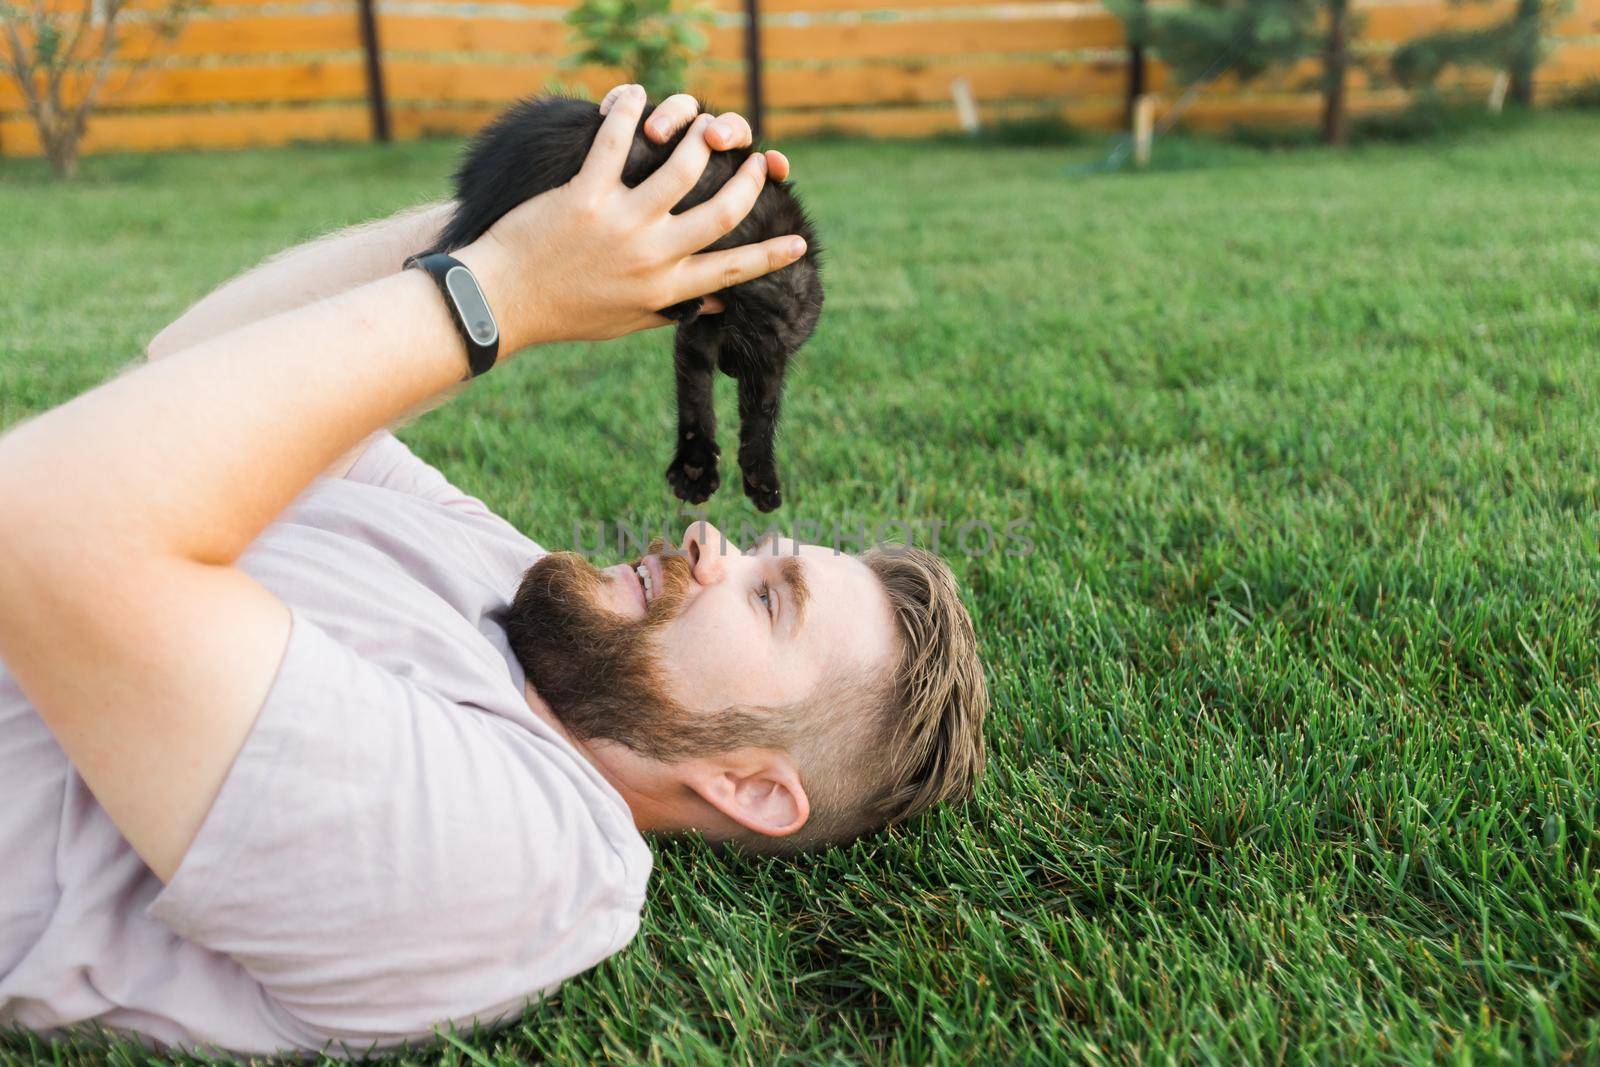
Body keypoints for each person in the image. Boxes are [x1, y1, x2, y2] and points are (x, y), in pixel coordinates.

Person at [0, 86, 988, 1056]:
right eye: (755, 552)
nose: (708, 542)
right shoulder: (510, 581)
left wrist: (504, 292)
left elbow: (45, 529)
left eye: (771, 598)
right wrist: (569, 201)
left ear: (749, 786)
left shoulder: (521, 856)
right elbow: (193, 368)